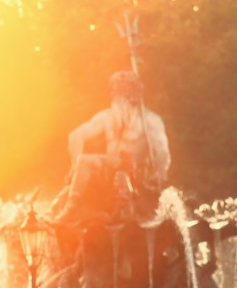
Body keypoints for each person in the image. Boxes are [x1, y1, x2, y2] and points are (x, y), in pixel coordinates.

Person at [51, 70, 170, 227]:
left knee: (99, 164)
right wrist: (75, 167)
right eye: (118, 91)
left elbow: (162, 151)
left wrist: (160, 172)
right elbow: (75, 136)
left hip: (136, 170)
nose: (121, 96)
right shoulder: (106, 117)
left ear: (134, 94)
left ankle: (74, 209)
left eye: (126, 91)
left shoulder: (150, 121)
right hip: (109, 168)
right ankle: (70, 208)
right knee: (84, 161)